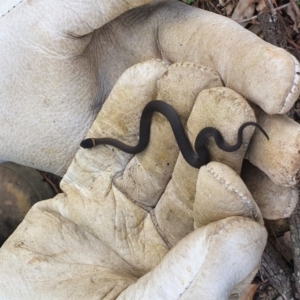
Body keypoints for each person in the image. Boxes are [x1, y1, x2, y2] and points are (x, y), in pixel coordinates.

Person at [0, 0, 299, 299]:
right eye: (92, 142)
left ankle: (230, 136)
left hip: (191, 141)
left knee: (198, 132)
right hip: (193, 153)